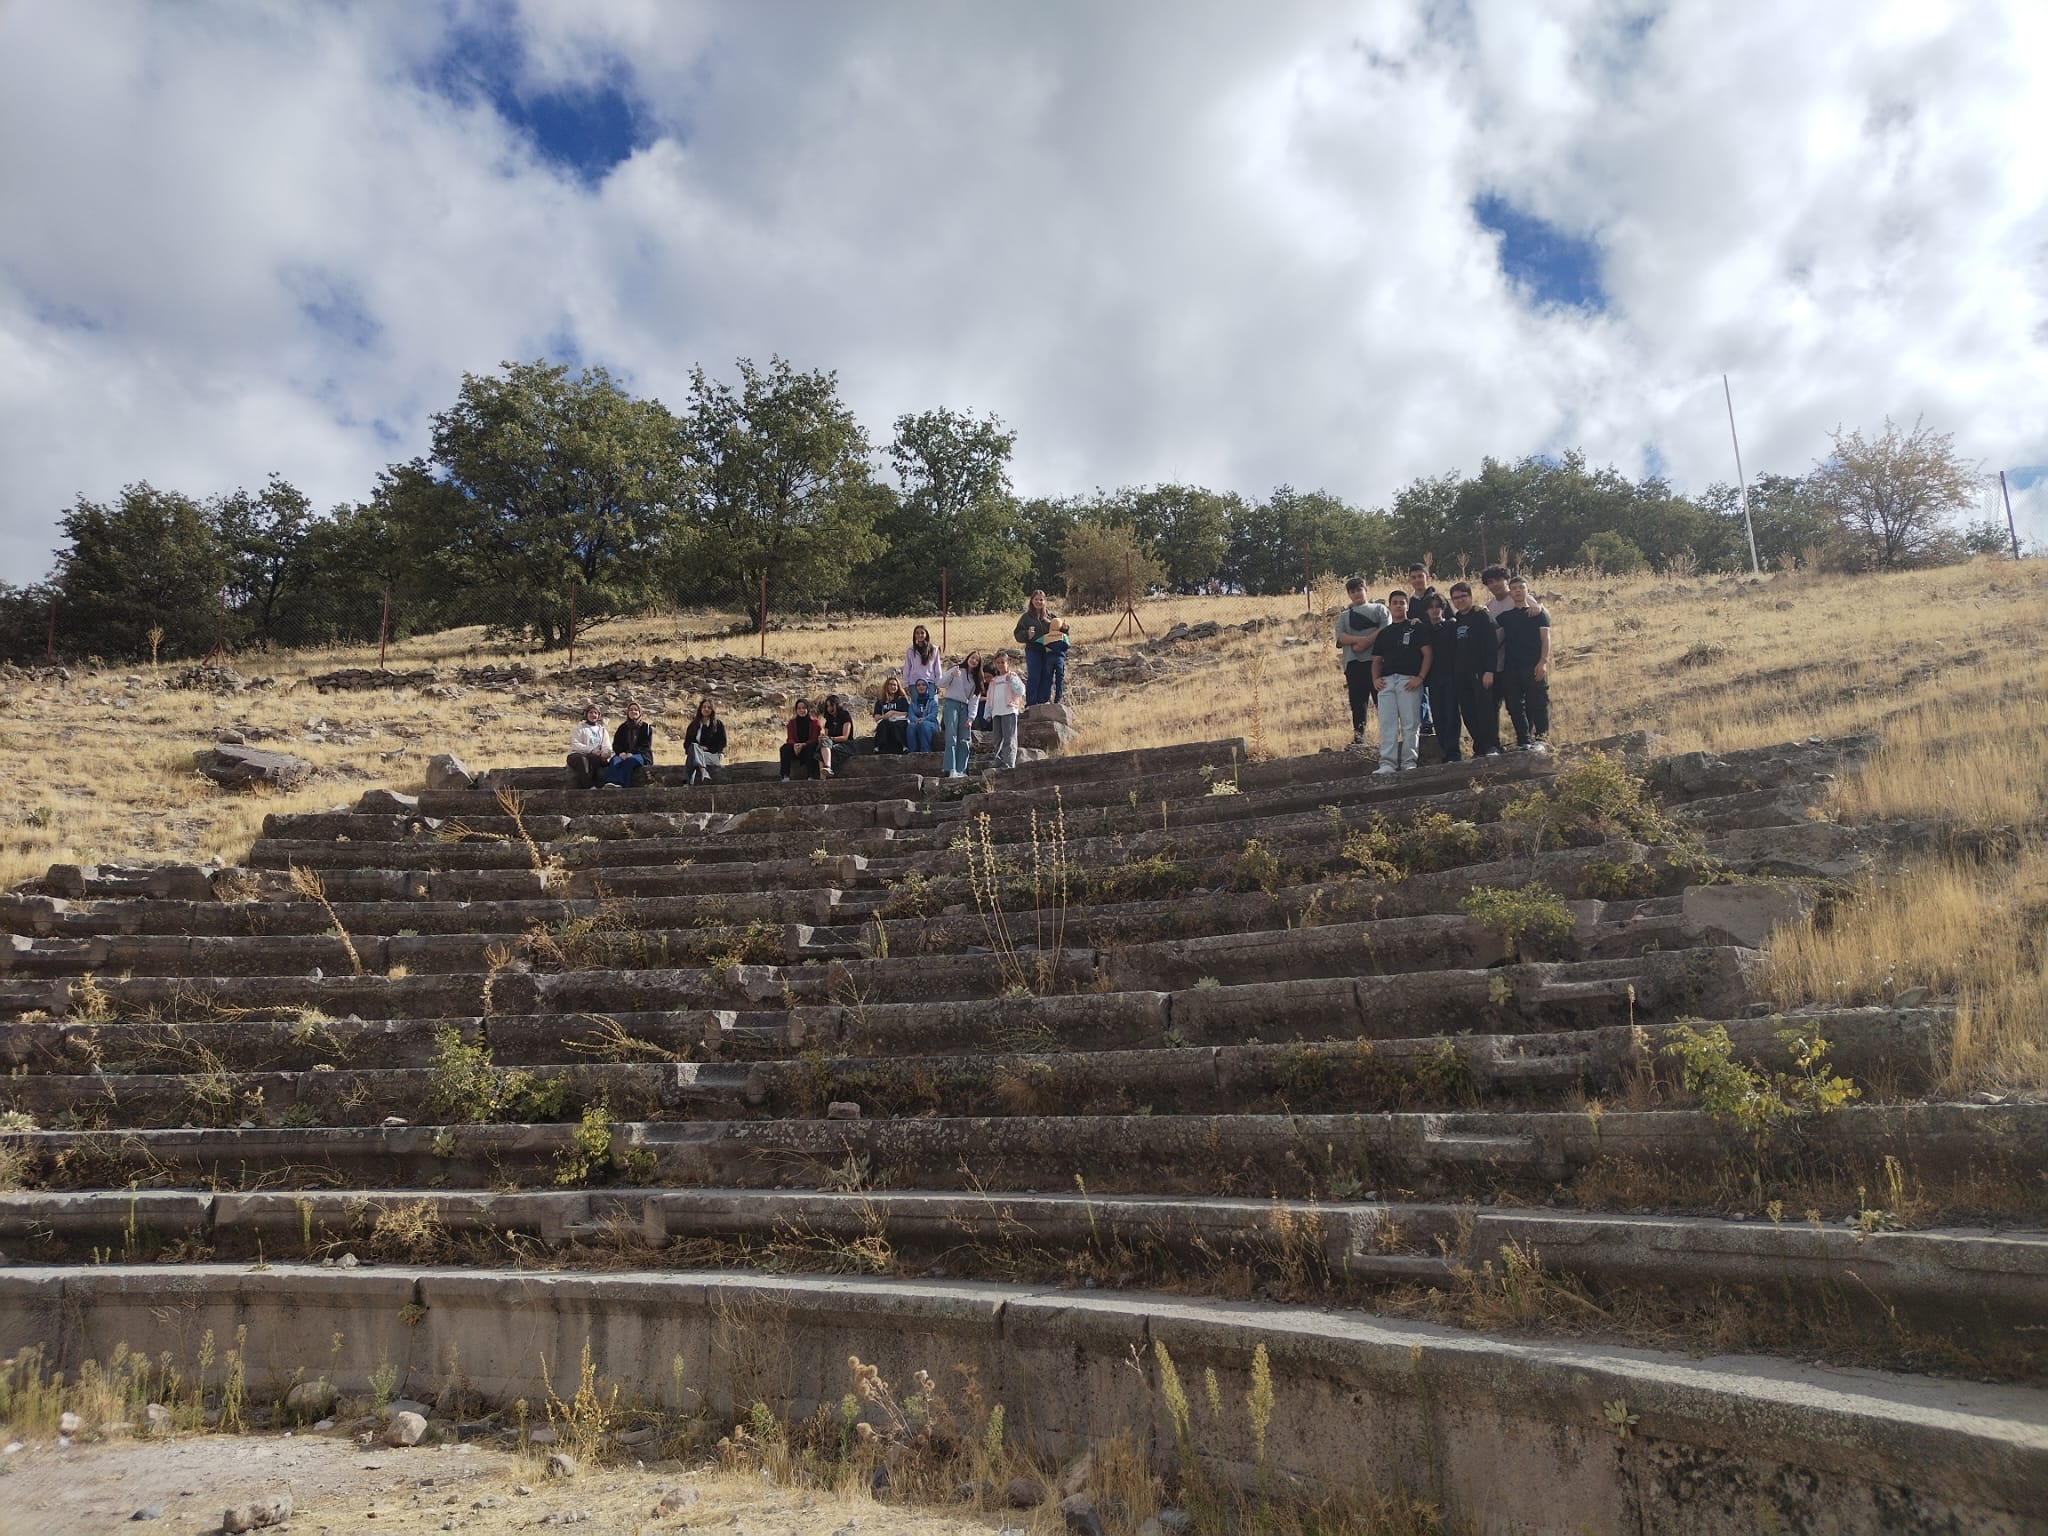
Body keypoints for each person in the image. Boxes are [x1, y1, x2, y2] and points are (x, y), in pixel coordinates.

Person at [1369, 591, 1433, 774]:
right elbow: (1376, 660)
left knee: (1410, 724)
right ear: (1389, 606)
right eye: (1395, 603)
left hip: (1409, 681)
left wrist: (1420, 677)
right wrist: (1375, 679)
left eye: (1402, 603)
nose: (1398, 605)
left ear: (1407, 606)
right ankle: (1387, 763)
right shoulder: (1384, 633)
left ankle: (1408, 762)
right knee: (1387, 724)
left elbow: (1428, 654)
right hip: (1387, 682)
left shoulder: (1416, 628)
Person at [1496, 576, 1552, 752]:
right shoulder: (1505, 617)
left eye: (1521, 587)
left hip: (1534, 664)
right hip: (1511, 667)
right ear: (1510, 593)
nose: (1518, 591)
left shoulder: (1538, 614)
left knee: (1538, 702)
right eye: (1514, 588)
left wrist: (1543, 661)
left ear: (1528, 591)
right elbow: (1487, 628)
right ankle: (1524, 740)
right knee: (1514, 705)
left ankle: (1542, 739)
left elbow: (1546, 639)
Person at [1447, 583, 1503, 758]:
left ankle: (1492, 745)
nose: (1460, 600)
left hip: (1481, 671)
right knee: (1469, 711)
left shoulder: (1481, 616)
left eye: (1463, 596)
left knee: (1486, 709)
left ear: (1470, 596)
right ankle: (1479, 748)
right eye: (1456, 598)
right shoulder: (1456, 620)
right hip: (1461, 674)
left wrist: (1489, 670)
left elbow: (1492, 645)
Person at [1334, 576, 1390, 746]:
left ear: (1366, 589)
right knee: (1358, 704)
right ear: (1349, 595)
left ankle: (1389, 736)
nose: (1356, 594)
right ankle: (1360, 738)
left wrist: (1365, 641)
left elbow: (1386, 629)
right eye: (1352, 591)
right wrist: (1358, 641)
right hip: (1354, 664)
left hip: (1378, 662)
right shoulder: (1344, 616)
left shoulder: (1380, 609)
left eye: (1359, 589)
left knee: (1383, 701)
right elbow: (1340, 637)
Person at [1418, 594, 1462, 764]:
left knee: (1451, 714)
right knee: (1438, 715)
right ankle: (1445, 752)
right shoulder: (1424, 630)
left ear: (1443, 608)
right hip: (1434, 678)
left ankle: (1454, 753)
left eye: (1438, 606)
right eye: (1431, 607)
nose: (1435, 610)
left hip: (1451, 676)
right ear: (1426, 610)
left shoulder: (1452, 625)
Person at [938, 650, 981, 779]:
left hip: (965, 708)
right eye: (972, 658)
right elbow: (940, 683)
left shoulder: (976, 679)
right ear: (968, 658)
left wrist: (971, 717)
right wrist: (951, 675)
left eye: (976, 660)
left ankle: (961, 769)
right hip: (951, 704)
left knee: (964, 739)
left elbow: (974, 700)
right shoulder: (956, 669)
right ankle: (951, 769)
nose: (973, 661)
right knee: (951, 737)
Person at [984, 650, 1027, 769]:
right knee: (997, 738)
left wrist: (1011, 681)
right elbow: (989, 698)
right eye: (998, 662)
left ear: (1008, 663)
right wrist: (987, 712)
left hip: (1009, 710)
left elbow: (1021, 691)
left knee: (1009, 738)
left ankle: (1009, 763)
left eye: (1003, 662)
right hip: (996, 712)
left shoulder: (1012, 676)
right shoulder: (994, 681)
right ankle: (998, 761)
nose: (1000, 665)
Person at [1014, 590, 1054, 706]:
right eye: (1036, 599)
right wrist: (1027, 634)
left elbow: (1059, 629)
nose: (1038, 602)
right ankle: (1031, 704)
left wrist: (1065, 629)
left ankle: (1043, 701)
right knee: (1034, 676)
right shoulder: (1026, 618)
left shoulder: (1050, 616)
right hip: (1033, 649)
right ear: (1031, 600)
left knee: (1047, 675)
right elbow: (1017, 634)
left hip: (1048, 651)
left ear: (1045, 601)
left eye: (1041, 599)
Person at [603, 700, 655, 787]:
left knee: (630, 761)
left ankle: (623, 784)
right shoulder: (623, 727)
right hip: (624, 754)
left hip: (641, 754)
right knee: (615, 760)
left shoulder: (646, 727)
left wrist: (632, 753)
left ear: (640, 712)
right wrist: (621, 753)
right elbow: (616, 744)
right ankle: (610, 783)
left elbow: (645, 745)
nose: (633, 712)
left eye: (636, 710)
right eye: (631, 710)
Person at [566, 703, 611, 789]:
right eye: (591, 712)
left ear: (598, 715)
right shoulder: (579, 728)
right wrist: (591, 750)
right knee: (582, 760)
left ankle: (598, 786)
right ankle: (589, 786)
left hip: (595, 756)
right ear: (586, 714)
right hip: (578, 754)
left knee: (596, 760)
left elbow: (607, 746)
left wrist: (605, 753)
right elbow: (575, 744)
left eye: (595, 713)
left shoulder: (602, 730)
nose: (593, 715)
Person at [682, 698, 726, 785]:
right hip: (697, 754)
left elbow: (722, 743)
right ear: (700, 709)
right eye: (704, 707)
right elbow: (687, 744)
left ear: (712, 710)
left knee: (692, 757)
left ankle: (687, 782)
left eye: (709, 707)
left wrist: (707, 748)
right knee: (694, 747)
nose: (706, 709)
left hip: (713, 754)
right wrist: (698, 749)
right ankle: (703, 771)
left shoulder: (718, 724)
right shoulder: (693, 725)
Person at [779, 699, 824, 782]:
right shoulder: (792, 723)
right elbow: (790, 738)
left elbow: (814, 739)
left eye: (804, 708)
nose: (801, 710)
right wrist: (795, 745)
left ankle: (811, 776)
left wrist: (803, 744)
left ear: (808, 709)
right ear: (796, 710)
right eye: (799, 708)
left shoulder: (815, 722)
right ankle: (785, 776)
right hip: (796, 749)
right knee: (784, 748)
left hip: (808, 748)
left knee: (810, 747)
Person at [1036, 616, 1071, 704]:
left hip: (1048, 659)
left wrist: (1047, 648)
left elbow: (1037, 643)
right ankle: (1057, 699)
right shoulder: (1063, 636)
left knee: (1047, 678)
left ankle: (1045, 698)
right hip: (1059, 659)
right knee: (1060, 679)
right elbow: (1067, 646)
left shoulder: (1046, 636)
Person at [871, 676, 911, 754]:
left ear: (898, 687)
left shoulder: (902, 700)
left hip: (900, 720)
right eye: (890, 684)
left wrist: (894, 712)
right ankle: (878, 747)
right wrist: (885, 716)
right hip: (886, 721)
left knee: (896, 725)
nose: (892, 687)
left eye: (894, 685)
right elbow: (876, 717)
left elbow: (907, 713)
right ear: (886, 686)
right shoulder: (880, 702)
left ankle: (903, 746)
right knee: (884, 724)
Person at [819, 693, 857, 774]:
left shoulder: (845, 716)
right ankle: (823, 776)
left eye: (831, 706)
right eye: (828, 706)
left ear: (836, 705)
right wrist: (823, 737)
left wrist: (830, 738)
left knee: (828, 750)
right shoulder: (829, 720)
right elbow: (826, 736)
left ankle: (828, 767)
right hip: (831, 743)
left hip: (846, 744)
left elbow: (845, 737)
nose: (829, 708)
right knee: (819, 750)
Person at [904, 676, 940, 754]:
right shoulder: (913, 704)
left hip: (931, 725)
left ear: (927, 687)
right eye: (918, 685)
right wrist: (917, 720)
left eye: (923, 685)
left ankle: (925, 751)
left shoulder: (933, 702)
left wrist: (923, 719)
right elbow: (911, 715)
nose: (921, 687)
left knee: (924, 725)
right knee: (911, 726)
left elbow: (933, 715)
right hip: (917, 723)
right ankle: (913, 752)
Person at [903, 625, 941, 694]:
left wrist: (938, 684)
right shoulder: (910, 651)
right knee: (915, 704)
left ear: (926, 634)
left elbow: (937, 668)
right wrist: (906, 684)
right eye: (917, 633)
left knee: (931, 704)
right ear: (914, 635)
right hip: (914, 684)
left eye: (922, 633)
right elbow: (907, 668)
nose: (920, 635)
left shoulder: (934, 650)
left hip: (930, 683)